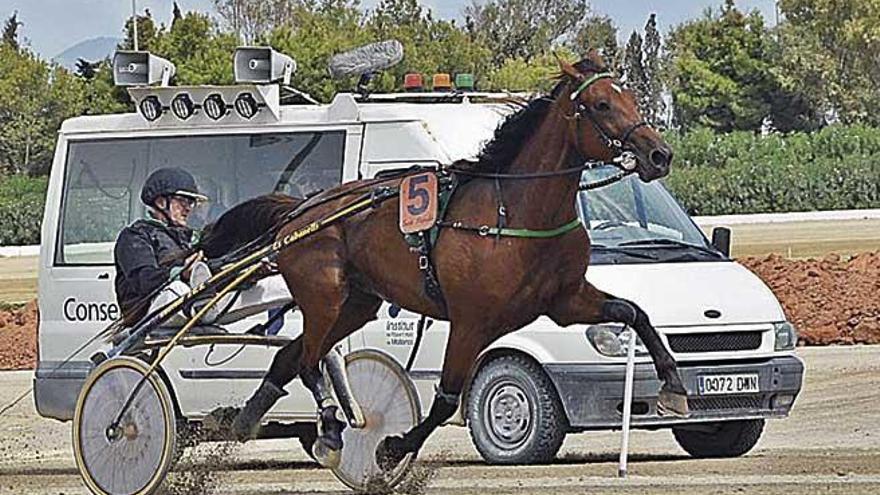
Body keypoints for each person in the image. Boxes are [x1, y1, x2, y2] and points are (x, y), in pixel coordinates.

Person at [114, 167, 212, 326]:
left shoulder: (187, 239)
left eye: (191, 202)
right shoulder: (134, 236)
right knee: (178, 288)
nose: (188, 208)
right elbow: (144, 280)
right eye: (183, 201)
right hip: (146, 319)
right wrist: (181, 273)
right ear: (160, 202)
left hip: (183, 314)